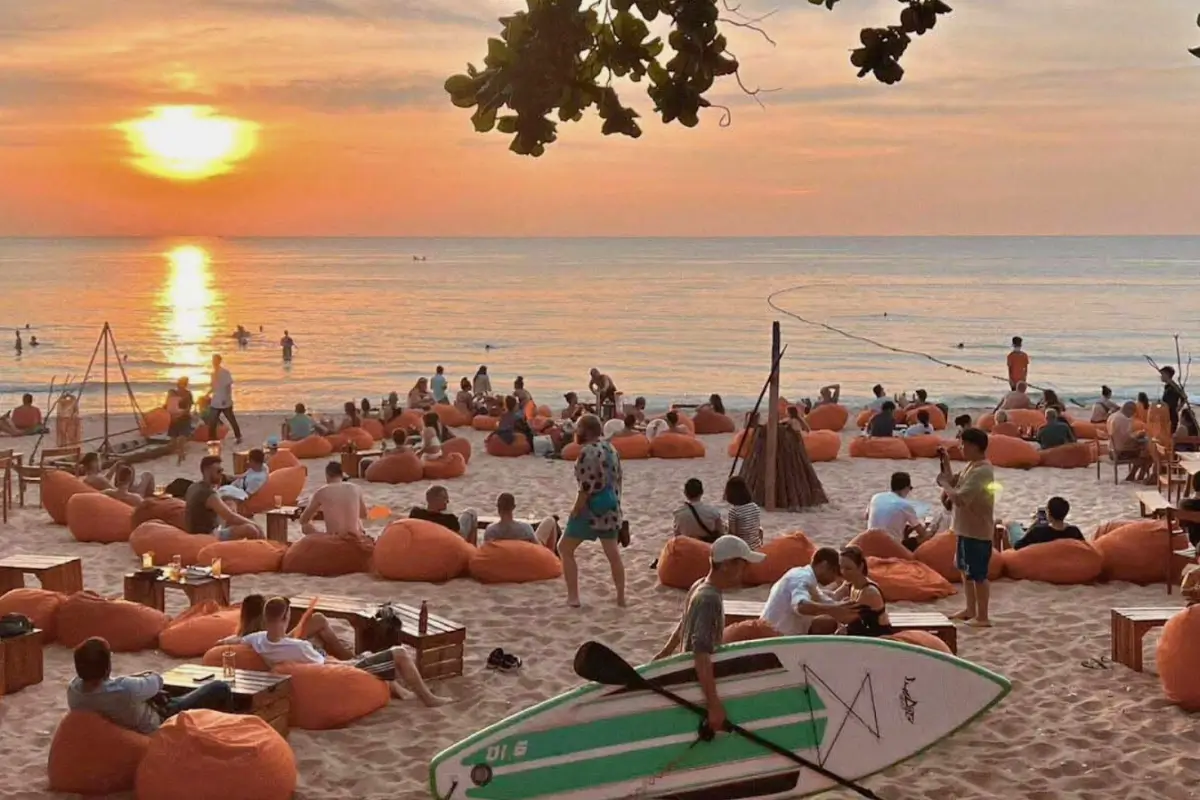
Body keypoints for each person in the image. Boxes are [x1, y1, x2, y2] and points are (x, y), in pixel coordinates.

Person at [239, 597, 451, 706]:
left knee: (324, 628)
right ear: (286, 618)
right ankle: (429, 699)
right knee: (399, 653)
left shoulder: (257, 639)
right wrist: (358, 660)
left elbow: (233, 640)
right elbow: (328, 667)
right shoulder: (299, 647)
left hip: (319, 662)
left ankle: (402, 691)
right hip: (342, 669)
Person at [651, 536, 766, 732]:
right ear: (727, 565)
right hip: (696, 681)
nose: (746, 570)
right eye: (743, 564)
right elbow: (701, 653)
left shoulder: (699, 584)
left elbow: (683, 623)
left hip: (689, 670)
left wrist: (665, 653)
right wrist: (714, 705)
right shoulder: (709, 599)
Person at [68, 637, 231, 733]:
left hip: (131, 714)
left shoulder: (74, 692)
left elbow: (108, 689)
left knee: (161, 693)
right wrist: (143, 677)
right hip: (160, 719)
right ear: (106, 667)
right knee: (219, 687)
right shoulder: (125, 688)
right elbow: (157, 680)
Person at [562, 414, 626, 607]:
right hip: (611, 508)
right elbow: (618, 479)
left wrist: (575, 510)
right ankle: (621, 597)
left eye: (579, 428)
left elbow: (586, 487)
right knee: (613, 554)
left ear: (586, 431)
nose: (576, 431)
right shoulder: (611, 448)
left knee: (565, 548)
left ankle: (573, 597)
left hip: (589, 512)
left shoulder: (588, 452)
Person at [936, 428, 995, 627]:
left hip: (977, 531)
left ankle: (983, 617)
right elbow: (954, 481)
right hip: (964, 528)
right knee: (964, 571)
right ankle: (970, 609)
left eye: (964, 444)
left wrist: (944, 485)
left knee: (978, 575)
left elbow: (960, 498)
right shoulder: (972, 466)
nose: (961, 448)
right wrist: (945, 462)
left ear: (974, 446)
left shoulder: (982, 471)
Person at [760, 547, 845, 636]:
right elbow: (801, 606)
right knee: (828, 623)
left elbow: (823, 599)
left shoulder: (807, 578)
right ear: (824, 565)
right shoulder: (801, 577)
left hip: (783, 633)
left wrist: (839, 607)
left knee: (830, 623)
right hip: (774, 636)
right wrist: (833, 609)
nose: (834, 579)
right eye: (834, 572)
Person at [184, 455, 263, 539]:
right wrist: (256, 525)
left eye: (222, 471)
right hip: (208, 536)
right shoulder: (207, 494)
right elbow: (230, 517)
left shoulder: (194, 486)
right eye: (218, 471)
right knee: (251, 529)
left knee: (230, 504)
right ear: (207, 471)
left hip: (197, 532)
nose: (221, 474)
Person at [834, 546, 893, 637]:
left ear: (860, 567)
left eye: (848, 569)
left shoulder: (869, 592)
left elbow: (846, 617)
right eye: (841, 567)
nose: (843, 572)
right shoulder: (850, 583)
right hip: (861, 630)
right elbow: (833, 596)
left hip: (877, 634)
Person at [299, 462, 367, 536]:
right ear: (342, 474)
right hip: (355, 537)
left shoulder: (321, 491)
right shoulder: (356, 488)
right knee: (358, 520)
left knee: (305, 527)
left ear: (327, 475)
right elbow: (363, 514)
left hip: (335, 538)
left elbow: (303, 520)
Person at [866, 471, 927, 548]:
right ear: (906, 487)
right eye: (910, 488)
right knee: (925, 537)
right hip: (891, 547)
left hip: (870, 542)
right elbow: (921, 532)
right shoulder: (905, 505)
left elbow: (867, 516)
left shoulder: (875, 497)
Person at [482, 492, 559, 547]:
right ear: (513, 507)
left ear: (498, 507)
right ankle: (551, 557)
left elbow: (485, 549)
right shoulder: (525, 529)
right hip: (526, 555)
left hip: (503, 559)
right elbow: (537, 547)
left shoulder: (491, 531)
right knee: (550, 520)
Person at [409, 484, 479, 544]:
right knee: (471, 513)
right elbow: (459, 540)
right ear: (436, 500)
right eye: (445, 498)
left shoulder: (416, 513)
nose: (448, 501)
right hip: (450, 542)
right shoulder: (449, 519)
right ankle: (473, 550)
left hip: (426, 542)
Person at [1010, 496, 1084, 550]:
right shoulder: (1074, 531)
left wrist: (1033, 525)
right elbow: (1085, 547)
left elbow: (1017, 546)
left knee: (1011, 525)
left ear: (1048, 513)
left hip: (1032, 552)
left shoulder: (1038, 532)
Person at [1108, 401, 1151, 481]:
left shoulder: (1112, 416)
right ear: (1129, 410)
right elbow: (1127, 439)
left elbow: (1122, 435)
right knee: (1148, 455)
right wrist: (1138, 435)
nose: (1133, 415)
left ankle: (1133, 474)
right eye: (1133, 412)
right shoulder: (1124, 419)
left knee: (1143, 452)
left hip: (1111, 451)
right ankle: (1140, 475)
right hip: (1120, 453)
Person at [672, 478, 725, 543]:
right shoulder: (712, 511)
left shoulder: (678, 514)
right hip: (707, 545)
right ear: (702, 492)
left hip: (688, 546)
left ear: (685, 493)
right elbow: (721, 533)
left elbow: (677, 536)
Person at [78, 452, 154, 496]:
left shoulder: (88, 478)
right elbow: (117, 492)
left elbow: (106, 479)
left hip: (115, 495)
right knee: (147, 475)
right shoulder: (98, 479)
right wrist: (125, 484)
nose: (101, 463)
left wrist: (115, 465)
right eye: (99, 461)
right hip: (125, 497)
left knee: (135, 481)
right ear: (94, 463)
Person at [205, 354, 242, 444]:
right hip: (215, 401)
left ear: (219, 361)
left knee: (231, 419)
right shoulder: (212, 374)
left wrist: (227, 398)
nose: (214, 362)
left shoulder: (225, 372)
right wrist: (207, 394)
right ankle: (212, 439)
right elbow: (214, 387)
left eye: (216, 360)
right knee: (212, 421)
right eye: (213, 360)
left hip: (225, 401)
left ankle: (238, 436)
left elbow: (228, 387)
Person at [723, 475, 762, 550]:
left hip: (742, 548)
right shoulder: (755, 507)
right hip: (756, 546)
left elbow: (733, 535)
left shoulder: (734, 511)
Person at [165, 377, 195, 464]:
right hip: (174, 418)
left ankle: (181, 456)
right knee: (173, 441)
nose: (181, 385)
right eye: (180, 383)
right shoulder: (172, 393)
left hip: (184, 418)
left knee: (181, 439)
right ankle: (180, 455)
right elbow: (167, 405)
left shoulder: (188, 394)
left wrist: (180, 415)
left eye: (183, 384)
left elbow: (188, 408)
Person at [1162, 366, 1186, 433]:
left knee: (1170, 434)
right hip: (1167, 415)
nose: (1161, 376)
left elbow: (1184, 397)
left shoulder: (1173, 386)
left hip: (1172, 416)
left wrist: (1178, 408)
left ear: (1167, 374)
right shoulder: (1167, 386)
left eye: (1162, 374)